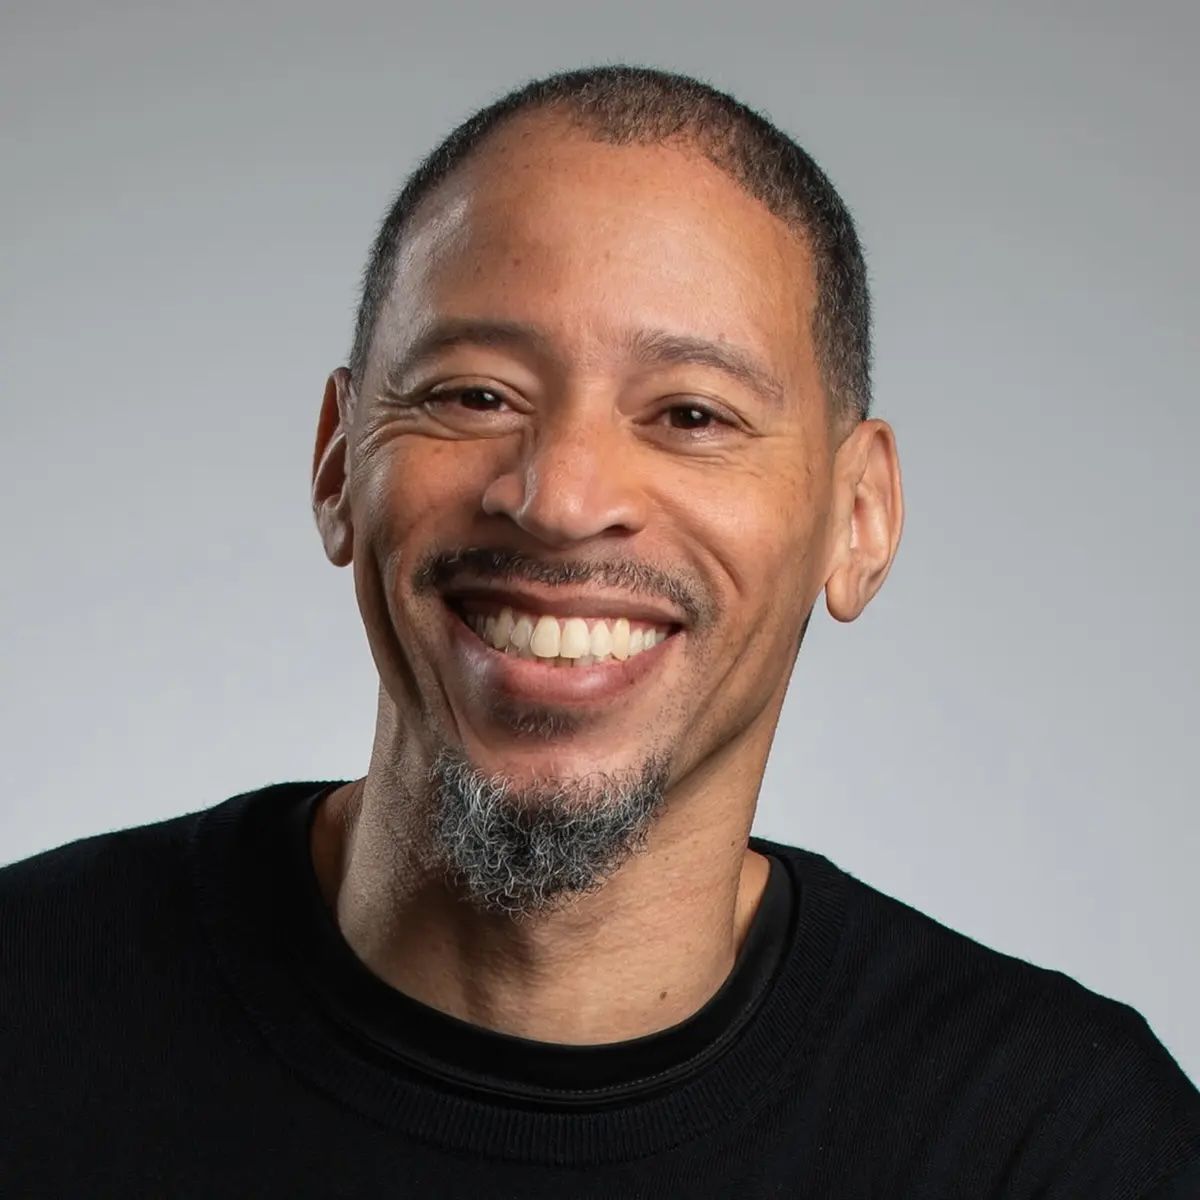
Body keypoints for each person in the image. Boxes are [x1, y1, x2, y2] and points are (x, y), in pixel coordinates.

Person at [2, 64, 1197, 1198]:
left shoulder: (1051, 1144)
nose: (562, 498)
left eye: (691, 413)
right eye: (475, 395)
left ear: (860, 517)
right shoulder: (30, 1013)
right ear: (336, 462)